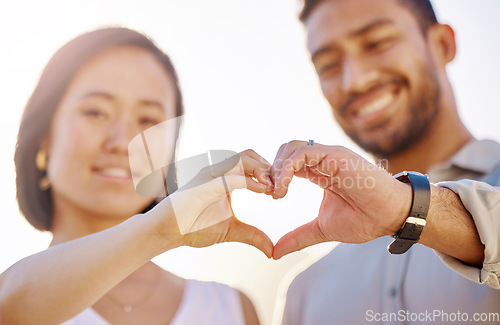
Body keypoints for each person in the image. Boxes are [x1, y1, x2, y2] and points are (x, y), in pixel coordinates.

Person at [0, 27, 276, 325]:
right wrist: (158, 232)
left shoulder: (232, 310)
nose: (122, 142)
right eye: (95, 112)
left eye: (148, 120)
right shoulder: (16, 297)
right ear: (44, 137)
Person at [271, 0, 500, 323]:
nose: (355, 81)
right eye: (329, 65)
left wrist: (407, 206)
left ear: (442, 44)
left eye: (377, 43)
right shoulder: (305, 292)